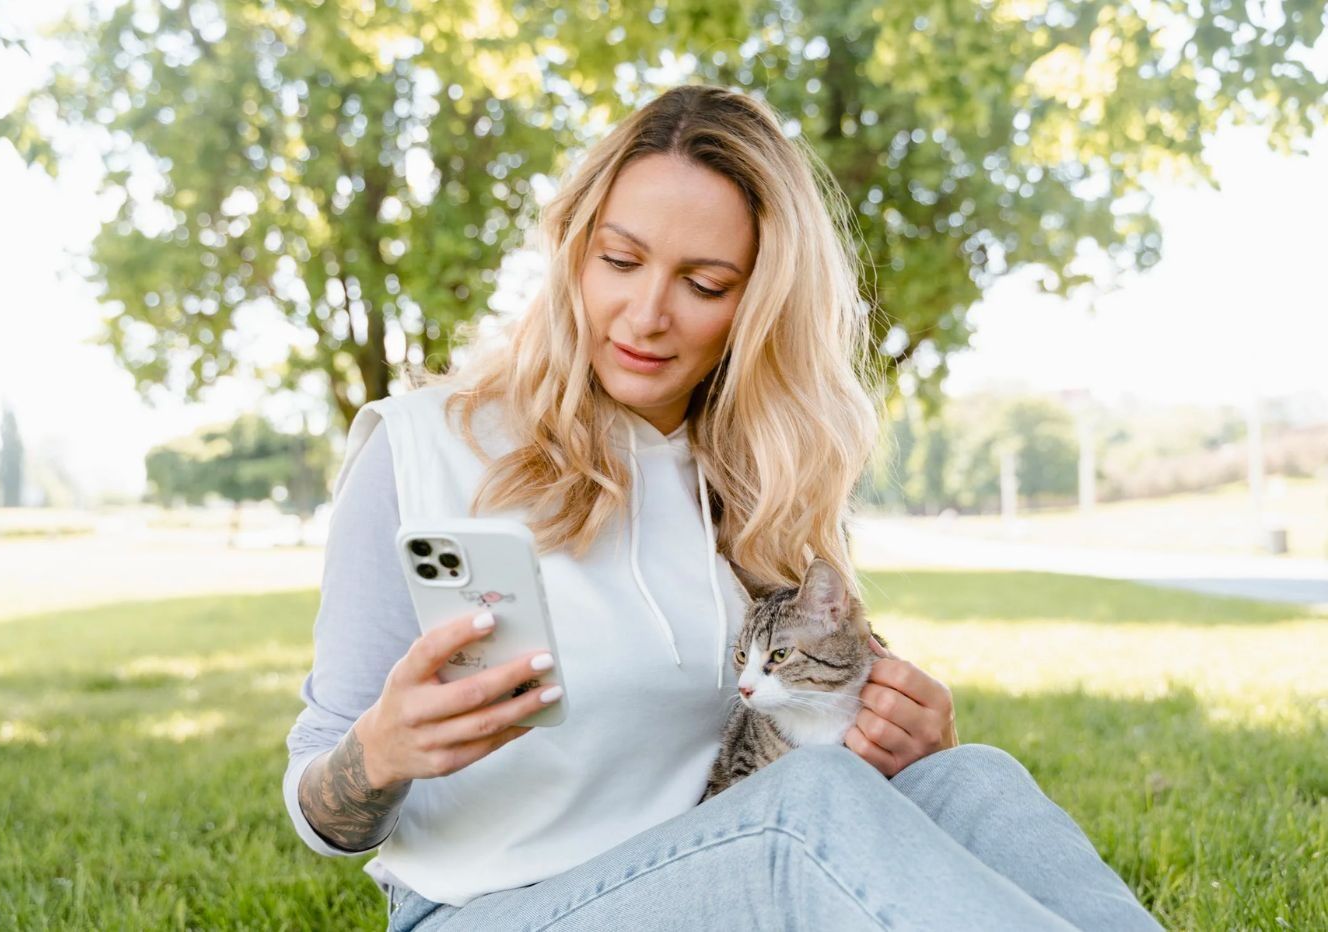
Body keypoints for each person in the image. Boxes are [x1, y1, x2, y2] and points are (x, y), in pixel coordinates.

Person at [283, 84, 1163, 931]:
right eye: (619, 261)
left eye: (704, 284)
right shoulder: (421, 446)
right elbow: (318, 808)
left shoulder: (758, 481)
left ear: (760, 303)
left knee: (976, 780)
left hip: (716, 872)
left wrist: (903, 731)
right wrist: (380, 754)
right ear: (574, 250)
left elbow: (813, 732)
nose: (646, 314)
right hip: (490, 911)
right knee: (802, 815)